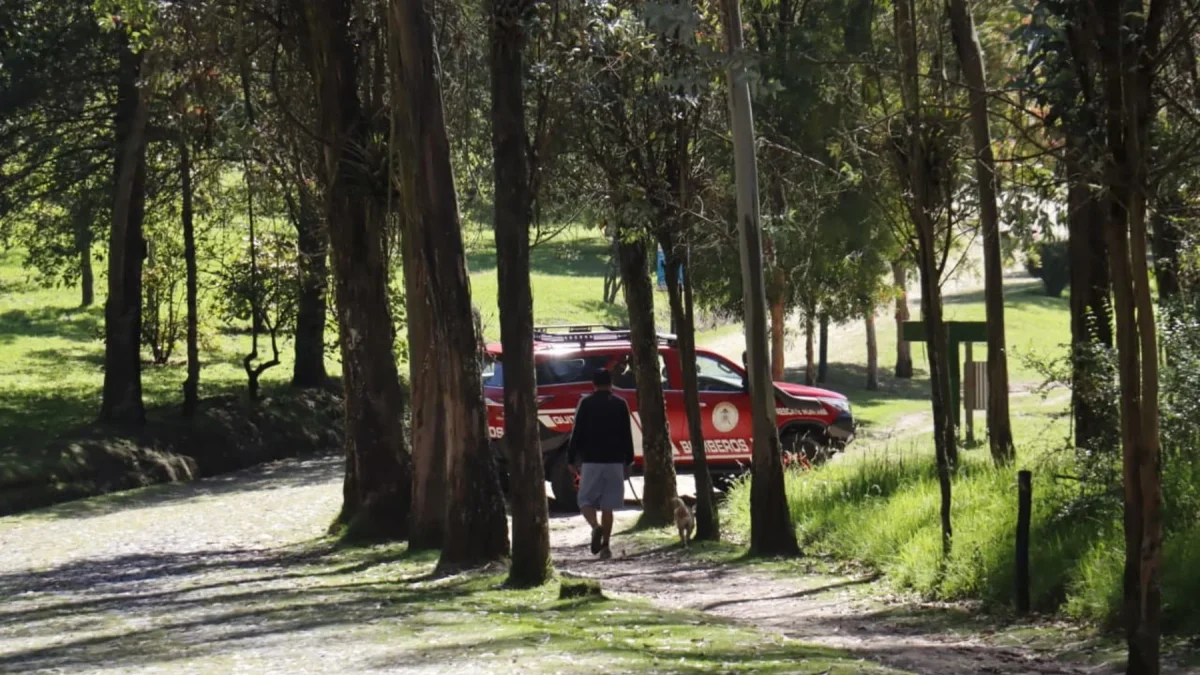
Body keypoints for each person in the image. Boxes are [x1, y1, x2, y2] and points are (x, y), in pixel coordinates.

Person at [567, 368, 634, 560]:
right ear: (611, 382)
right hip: (614, 461)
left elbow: (577, 432)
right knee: (608, 506)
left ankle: (595, 527)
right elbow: (626, 434)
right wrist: (628, 460)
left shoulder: (586, 403)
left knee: (584, 501)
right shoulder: (620, 404)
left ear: (593, 384)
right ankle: (605, 546)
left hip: (591, 461)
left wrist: (571, 458)